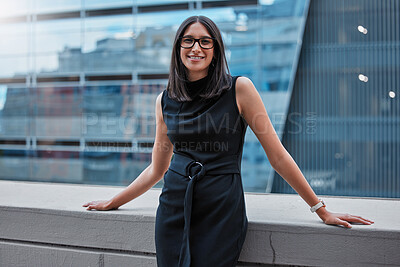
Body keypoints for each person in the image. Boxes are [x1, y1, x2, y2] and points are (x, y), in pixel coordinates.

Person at [83, 15, 374, 266]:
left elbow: (278, 157)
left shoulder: (239, 88)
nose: (196, 47)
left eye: (205, 41)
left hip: (221, 210)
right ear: (178, 48)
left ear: (216, 50)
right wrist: (113, 201)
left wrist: (320, 209)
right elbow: (156, 170)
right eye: (188, 40)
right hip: (173, 208)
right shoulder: (164, 100)